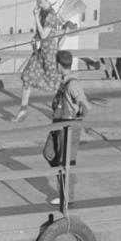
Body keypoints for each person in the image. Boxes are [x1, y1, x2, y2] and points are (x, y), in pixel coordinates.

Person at [14, 0, 76, 123]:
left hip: (50, 55)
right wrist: (34, 39)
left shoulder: (51, 16)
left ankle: (68, 106)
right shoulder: (43, 12)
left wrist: (35, 18)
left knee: (55, 84)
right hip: (40, 52)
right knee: (27, 77)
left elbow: (44, 34)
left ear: (48, 0)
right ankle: (23, 110)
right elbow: (39, 34)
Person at [44, 50, 91, 207]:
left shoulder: (72, 84)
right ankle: (67, 178)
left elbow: (85, 106)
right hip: (58, 124)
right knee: (49, 153)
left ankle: (67, 196)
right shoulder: (64, 81)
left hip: (69, 128)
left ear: (58, 65)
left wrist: (78, 115)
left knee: (66, 162)